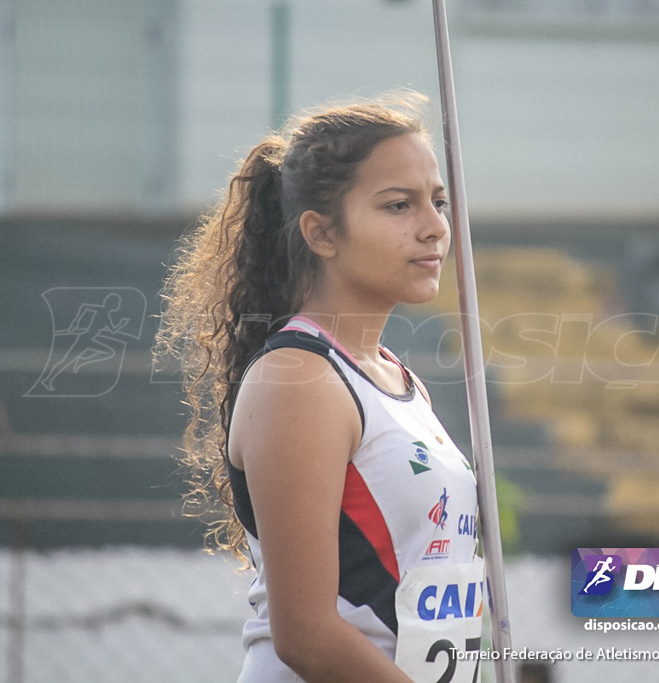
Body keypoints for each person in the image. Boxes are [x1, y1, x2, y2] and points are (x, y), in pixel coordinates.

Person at [155, 91, 483, 682]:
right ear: (321, 233)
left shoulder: (393, 378)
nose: (435, 227)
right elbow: (306, 635)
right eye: (398, 206)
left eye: (437, 201)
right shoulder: (301, 379)